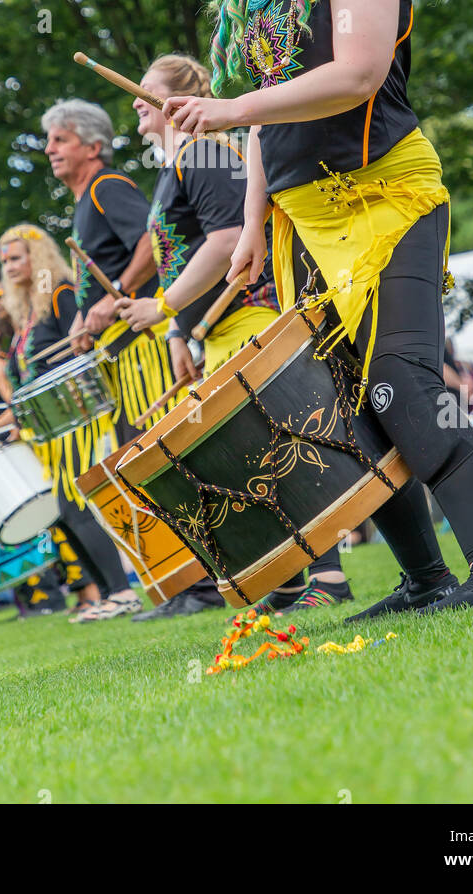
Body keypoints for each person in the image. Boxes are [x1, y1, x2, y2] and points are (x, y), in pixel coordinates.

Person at [160, 0, 473, 617]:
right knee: (341, 407)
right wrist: (254, 230)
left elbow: (357, 75)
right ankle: (426, 579)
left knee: (401, 384)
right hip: (303, 220)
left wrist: (226, 110)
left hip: (384, 195)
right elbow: (267, 126)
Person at [114, 52, 286, 618]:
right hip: (212, 333)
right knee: (244, 462)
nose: (137, 100)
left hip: (248, 316)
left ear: (178, 101)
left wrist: (162, 306)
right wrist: (175, 333)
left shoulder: (206, 151)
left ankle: (321, 578)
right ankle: (286, 579)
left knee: (267, 455)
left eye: (148, 91)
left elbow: (226, 240)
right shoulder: (174, 165)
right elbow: (178, 258)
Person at [0, 222, 141, 621]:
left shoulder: (59, 293)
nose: (8, 267)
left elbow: (80, 351)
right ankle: (106, 594)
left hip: (74, 420)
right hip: (46, 427)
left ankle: (122, 591)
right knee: (63, 510)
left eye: (16, 258)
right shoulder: (25, 311)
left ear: (36, 257)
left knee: (76, 504)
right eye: (4, 260)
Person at [41, 98, 177, 443]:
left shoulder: (107, 186)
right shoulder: (85, 199)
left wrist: (115, 292)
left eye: (60, 140)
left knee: (162, 446)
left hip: (143, 346)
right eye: (49, 140)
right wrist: (82, 317)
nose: (48, 149)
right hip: (119, 354)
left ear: (93, 147)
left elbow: (152, 242)